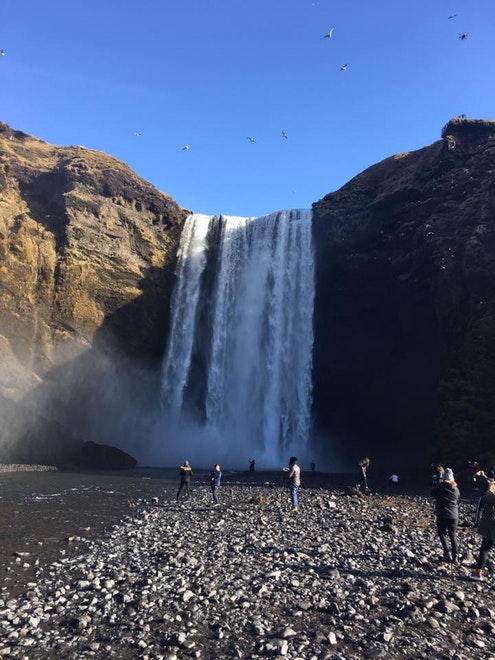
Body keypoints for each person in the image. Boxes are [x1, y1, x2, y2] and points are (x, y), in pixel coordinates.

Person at [431, 467, 460, 563]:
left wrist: (437, 483)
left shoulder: (440, 487)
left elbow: (433, 493)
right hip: (454, 515)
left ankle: (447, 554)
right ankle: (455, 556)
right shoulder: (455, 489)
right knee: (453, 535)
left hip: (442, 513)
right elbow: (458, 497)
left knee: (442, 533)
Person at [470, 478, 495, 581]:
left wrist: (490, 488)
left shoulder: (492, 497)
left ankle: (478, 572)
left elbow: (484, 499)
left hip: (491, 528)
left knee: (484, 549)